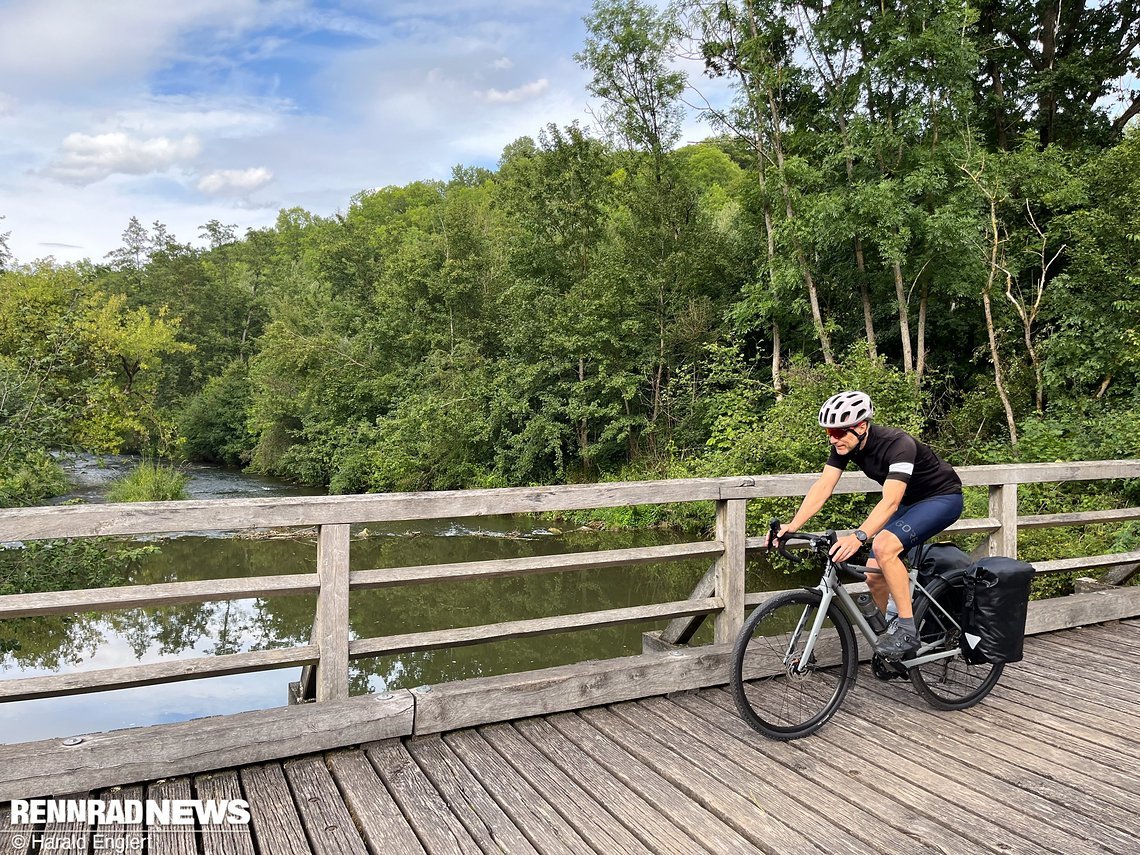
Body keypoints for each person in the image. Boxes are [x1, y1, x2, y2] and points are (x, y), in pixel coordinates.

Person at [769, 391, 964, 660]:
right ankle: (888, 639)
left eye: (838, 432)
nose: (832, 438)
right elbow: (824, 486)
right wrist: (793, 525)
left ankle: (907, 631)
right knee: (873, 574)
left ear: (862, 426)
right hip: (909, 503)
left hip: (942, 498)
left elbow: (891, 501)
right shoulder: (845, 445)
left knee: (884, 547)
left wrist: (859, 536)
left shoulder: (898, 444)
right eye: (828, 432)